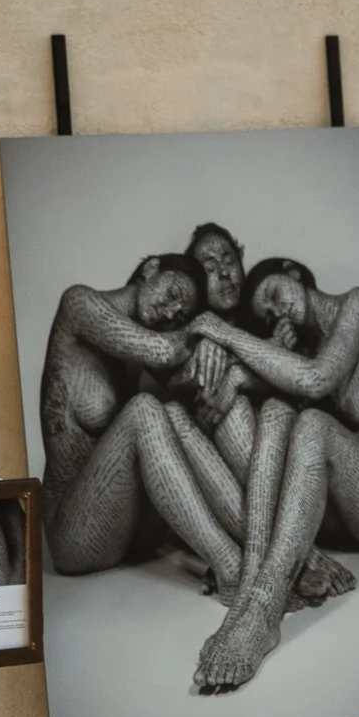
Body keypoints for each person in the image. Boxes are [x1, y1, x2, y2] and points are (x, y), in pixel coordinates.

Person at [177, 256, 359, 691]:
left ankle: (263, 610)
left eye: (274, 294)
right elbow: (285, 382)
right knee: (276, 411)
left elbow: (315, 380)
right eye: (269, 313)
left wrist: (223, 331)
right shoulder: (306, 346)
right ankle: (256, 576)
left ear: (293, 272)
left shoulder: (356, 306)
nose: (279, 310)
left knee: (312, 425)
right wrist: (240, 375)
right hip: (341, 517)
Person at [37, 252, 247, 588]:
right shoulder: (79, 304)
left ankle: (264, 547)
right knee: (145, 409)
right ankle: (230, 566)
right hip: (75, 535)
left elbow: (197, 378)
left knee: (174, 412)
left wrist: (214, 347)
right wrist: (205, 331)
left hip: (134, 533)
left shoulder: (153, 332)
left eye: (181, 313)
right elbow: (164, 351)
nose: (171, 312)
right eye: (174, 294)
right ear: (151, 268)